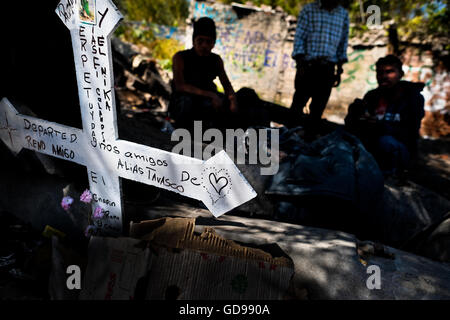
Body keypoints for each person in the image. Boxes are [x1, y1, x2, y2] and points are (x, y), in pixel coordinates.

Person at [345, 55, 425, 176]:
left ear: (400, 74)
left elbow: (410, 132)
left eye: (389, 72)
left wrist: (379, 126)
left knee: (385, 142)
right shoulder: (372, 96)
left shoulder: (413, 98)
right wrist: (353, 115)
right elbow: (356, 127)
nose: (384, 76)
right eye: (380, 73)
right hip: (373, 146)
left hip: (399, 149)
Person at [169, 17, 237, 132]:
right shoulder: (180, 57)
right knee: (187, 102)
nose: (204, 45)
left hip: (208, 101)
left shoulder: (216, 60)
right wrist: (210, 95)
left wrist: (233, 100)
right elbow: (180, 86)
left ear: (213, 44)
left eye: (208, 41)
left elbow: (226, 84)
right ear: (194, 41)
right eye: (200, 41)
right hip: (185, 100)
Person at [290, 0, 349, 134]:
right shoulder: (309, 10)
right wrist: (300, 67)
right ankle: (288, 140)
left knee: (317, 110)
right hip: (308, 66)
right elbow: (299, 38)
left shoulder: (343, 14)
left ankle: (308, 141)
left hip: (328, 69)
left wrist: (339, 70)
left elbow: (343, 43)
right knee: (297, 106)